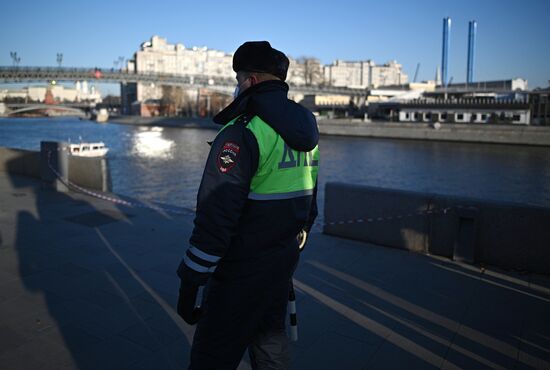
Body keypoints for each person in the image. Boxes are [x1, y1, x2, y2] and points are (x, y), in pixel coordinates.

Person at [176, 41, 319, 370]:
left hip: (238, 275)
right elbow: (310, 206)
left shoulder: (242, 133)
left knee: (213, 356)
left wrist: (191, 280)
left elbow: (215, 217)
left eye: (238, 78)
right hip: (280, 269)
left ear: (251, 81)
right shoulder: (307, 132)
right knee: (270, 343)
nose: (236, 85)